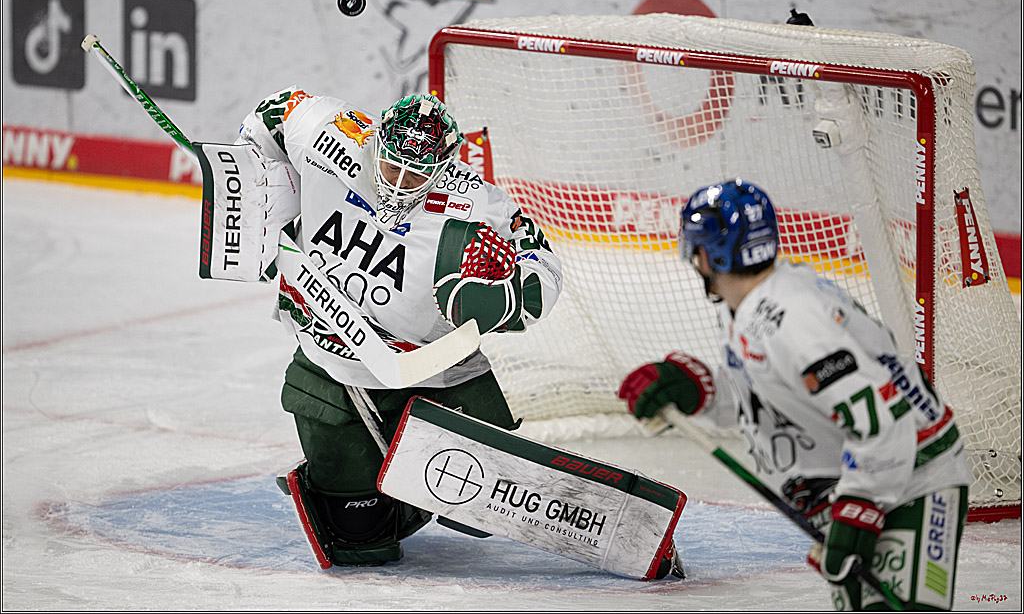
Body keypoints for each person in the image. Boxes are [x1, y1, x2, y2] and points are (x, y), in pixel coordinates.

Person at [236, 88, 563, 568]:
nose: (401, 183)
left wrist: (505, 296)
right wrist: (262, 203)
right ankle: (370, 486)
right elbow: (273, 113)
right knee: (359, 543)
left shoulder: (475, 204)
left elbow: (545, 269)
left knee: (476, 513)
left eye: (417, 173)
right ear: (377, 144)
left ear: (445, 164)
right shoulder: (334, 138)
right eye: (392, 167)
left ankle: (409, 484)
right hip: (332, 363)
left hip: (435, 374)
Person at [618, 178, 973, 610]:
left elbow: (880, 417)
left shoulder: (792, 320)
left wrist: (860, 505)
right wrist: (699, 388)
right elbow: (771, 401)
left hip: (913, 478)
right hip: (863, 480)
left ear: (710, 253)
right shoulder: (748, 306)